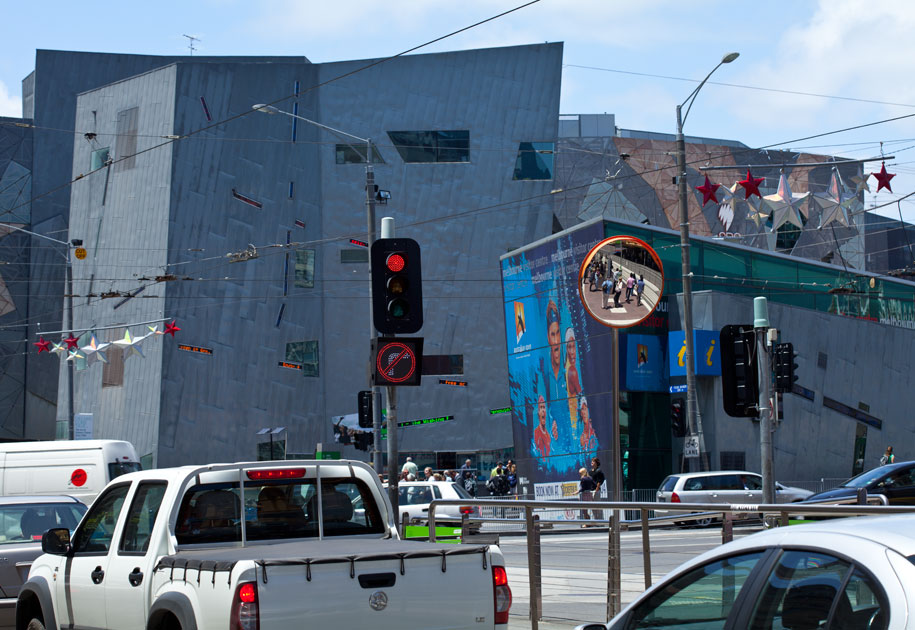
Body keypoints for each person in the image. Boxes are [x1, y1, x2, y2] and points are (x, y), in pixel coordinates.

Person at [565, 328, 582, 430]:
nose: (572, 352)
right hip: (575, 424)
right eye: (569, 347)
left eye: (573, 347)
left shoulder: (566, 368)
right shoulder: (572, 371)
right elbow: (582, 396)